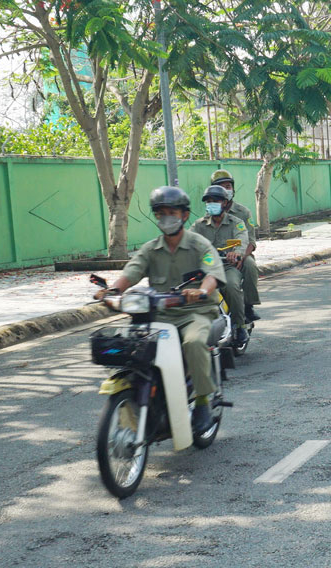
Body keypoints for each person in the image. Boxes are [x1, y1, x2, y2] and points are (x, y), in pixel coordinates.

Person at [93, 186, 226, 434]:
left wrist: (202, 290)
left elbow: (213, 274)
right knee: (132, 349)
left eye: (172, 212)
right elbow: (131, 273)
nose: (167, 217)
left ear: (184, 215)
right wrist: (112, 292)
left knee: (194, 343)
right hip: (159, 315)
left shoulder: (200, 245)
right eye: (161, 213)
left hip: (195, 313)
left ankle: (202, 402)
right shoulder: (150, 248)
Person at [192, 185, 251, 346]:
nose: (212, 204)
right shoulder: (199, 225)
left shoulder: (236, 222)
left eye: (215, 201)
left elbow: (242, 239)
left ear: (225, 203)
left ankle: (240, 326)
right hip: (204, 270)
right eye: (209, 201)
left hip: (227, 267)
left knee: (232, 286)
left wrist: (236, 253)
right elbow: (188, 242)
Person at [210, 169, 261, 322]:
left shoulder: (243, 213)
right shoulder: (209, 214)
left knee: (250, 266)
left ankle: (248, 305)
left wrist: (240, 257)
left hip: (241, 254)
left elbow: (250, 241)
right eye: (221, 187)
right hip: (218, 259)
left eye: (228, 186)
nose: (226, 190)